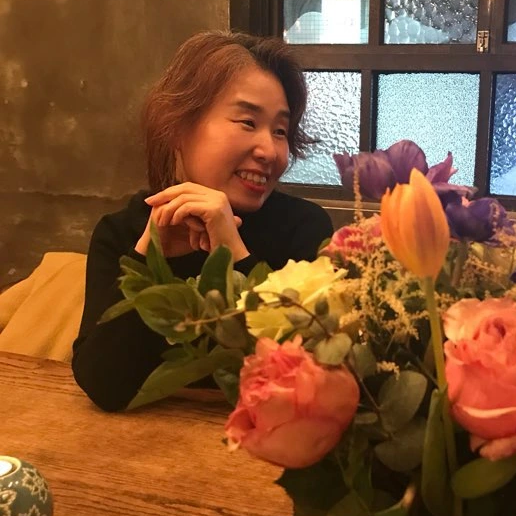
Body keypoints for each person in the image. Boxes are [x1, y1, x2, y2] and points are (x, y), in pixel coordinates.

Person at [72, 31, 333, 411]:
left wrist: (233, 255)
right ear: (178, 127)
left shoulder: (304, 229)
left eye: (280, 131)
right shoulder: (122, 232)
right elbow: (103, 385)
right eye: (248, 122)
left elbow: (312, 383)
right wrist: (153, 261)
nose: (270, 150)